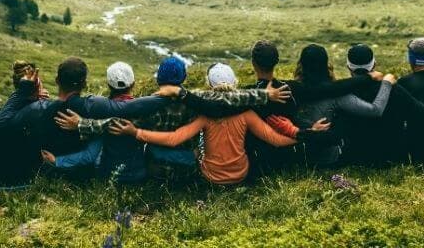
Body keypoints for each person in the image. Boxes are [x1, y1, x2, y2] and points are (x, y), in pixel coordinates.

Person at [52, 56, 292, 182]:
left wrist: (82, 124)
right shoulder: (195, 100)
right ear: (184, 78)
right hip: (188, 167)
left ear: (159, 80)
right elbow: (227, 98)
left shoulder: (149, 106)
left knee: (146, 144)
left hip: (155, 169)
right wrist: (265, 95)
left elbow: (117, 125)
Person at [109, 63, 329, 185]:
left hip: (211, 177)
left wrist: (136, 132)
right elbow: (275, 139)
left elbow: (175, 138)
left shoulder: (204, 114)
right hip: (241, 174)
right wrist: (307, 132)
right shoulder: (245, 113)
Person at [244, 40, 383, 174]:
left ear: (253, 63)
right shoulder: (291, 90)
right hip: (320, 155)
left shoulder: (286, 89)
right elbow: (331, 89)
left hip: (267, 160)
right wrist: (368, 78)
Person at [338, 44, 424, 165]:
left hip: (353, 155)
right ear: (374, 64)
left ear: (348, 67)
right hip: (390, 156)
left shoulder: (338, 92)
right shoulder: (392, 89)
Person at [291, 44, 396, 168]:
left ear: (301, 65)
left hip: (296, 155)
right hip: (327, 159)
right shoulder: (338, 95)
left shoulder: (291, 90)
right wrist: (386, 84)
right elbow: (375, 110)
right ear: (326, 65)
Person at [41, 61, 146, 183]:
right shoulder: (143, 111)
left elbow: (91, 155)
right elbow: (91, 155)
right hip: (136, 175)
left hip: (103, 176)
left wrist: (58, 161)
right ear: (133, 84)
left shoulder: (44, 109)